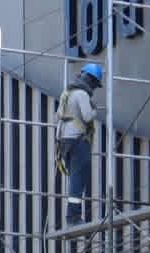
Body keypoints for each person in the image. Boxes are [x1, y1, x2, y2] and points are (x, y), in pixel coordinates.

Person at [55, 62, 103, 225]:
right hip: (77, 140)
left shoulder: (66, 93)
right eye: (95, 84)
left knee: (74, 176)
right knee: (78, 177)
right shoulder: (82, 94)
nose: (95, 88)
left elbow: (59, 114)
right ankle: (73, 217)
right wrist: (96, 109)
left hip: (64, 139)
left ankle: (72, 215)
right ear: (91, 80)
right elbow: (88, 117)